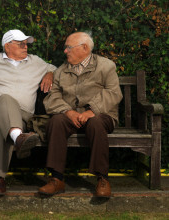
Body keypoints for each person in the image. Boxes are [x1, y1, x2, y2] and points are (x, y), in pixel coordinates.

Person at [0, 29, 57, 195]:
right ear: (7, 47)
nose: (25, 47)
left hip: (21, 116)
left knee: (3, 127)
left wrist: (49, 74)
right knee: (6, 99)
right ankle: (18, 136)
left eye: (26, 44)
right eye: (20, 44)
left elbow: (54, 68)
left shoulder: (35, 62)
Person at [38, 32, 123, 197]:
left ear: (84, 48)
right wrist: (68, 112)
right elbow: (52, 97)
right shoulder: (61, 70)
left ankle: (102, 179)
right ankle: (56, 179)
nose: (65, 51)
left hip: (101, 114)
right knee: (56, 122)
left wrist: (92, 110)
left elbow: (113, 93)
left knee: (96, 123)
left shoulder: (106, 66)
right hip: (72, 115)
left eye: (68, 47)